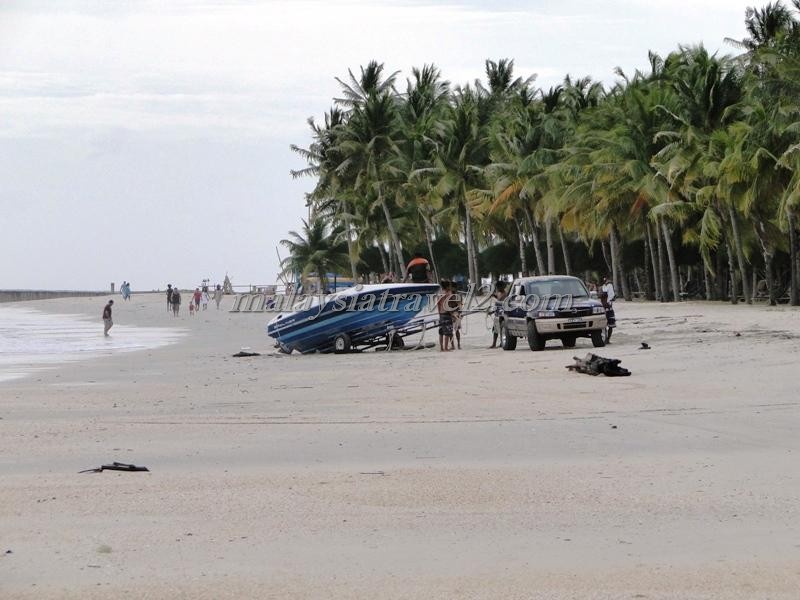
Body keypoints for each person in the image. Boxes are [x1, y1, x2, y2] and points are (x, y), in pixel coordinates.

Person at [489, 280, 508, 349]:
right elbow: (497, 298)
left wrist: (494, 297)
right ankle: (495, 343)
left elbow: (499, 301)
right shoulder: (499, 293)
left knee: (500, 329)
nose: (498, 288)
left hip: (502, 314)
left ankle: (501, 342)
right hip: (497, 313)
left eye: (499, 287)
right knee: (495, 329)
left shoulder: (505, 294)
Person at [437, 280, 454, 352]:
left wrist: (439, 313)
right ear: (447, 286)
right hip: (447, 314)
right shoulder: (448, 294)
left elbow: (438, 304)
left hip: (441, 314)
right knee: (447, 332)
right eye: (449, 286)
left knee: (441, 332)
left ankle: (441, 348)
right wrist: (452, 314)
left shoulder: (440, 293)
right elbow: (448, 305)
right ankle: (446, 348)